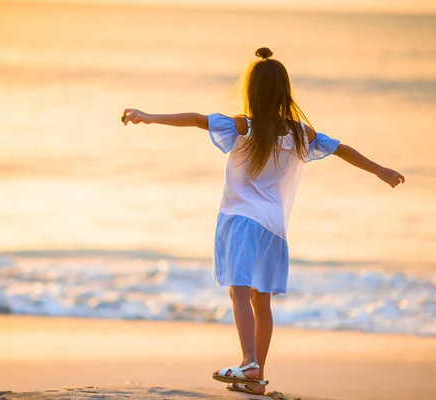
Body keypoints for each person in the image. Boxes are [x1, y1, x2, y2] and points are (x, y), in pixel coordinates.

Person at [122, 47, 404, 395]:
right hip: (275, 227)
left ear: (251, 92)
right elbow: (343, 149)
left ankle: (249, 363)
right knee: (261, 300)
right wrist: (380, 170)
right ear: (285, 92)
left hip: (241, 219)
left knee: (238, 291)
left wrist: (148, 116)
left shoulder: (243, 126)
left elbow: (197, 118)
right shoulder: (300, 133)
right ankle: (256, 378)